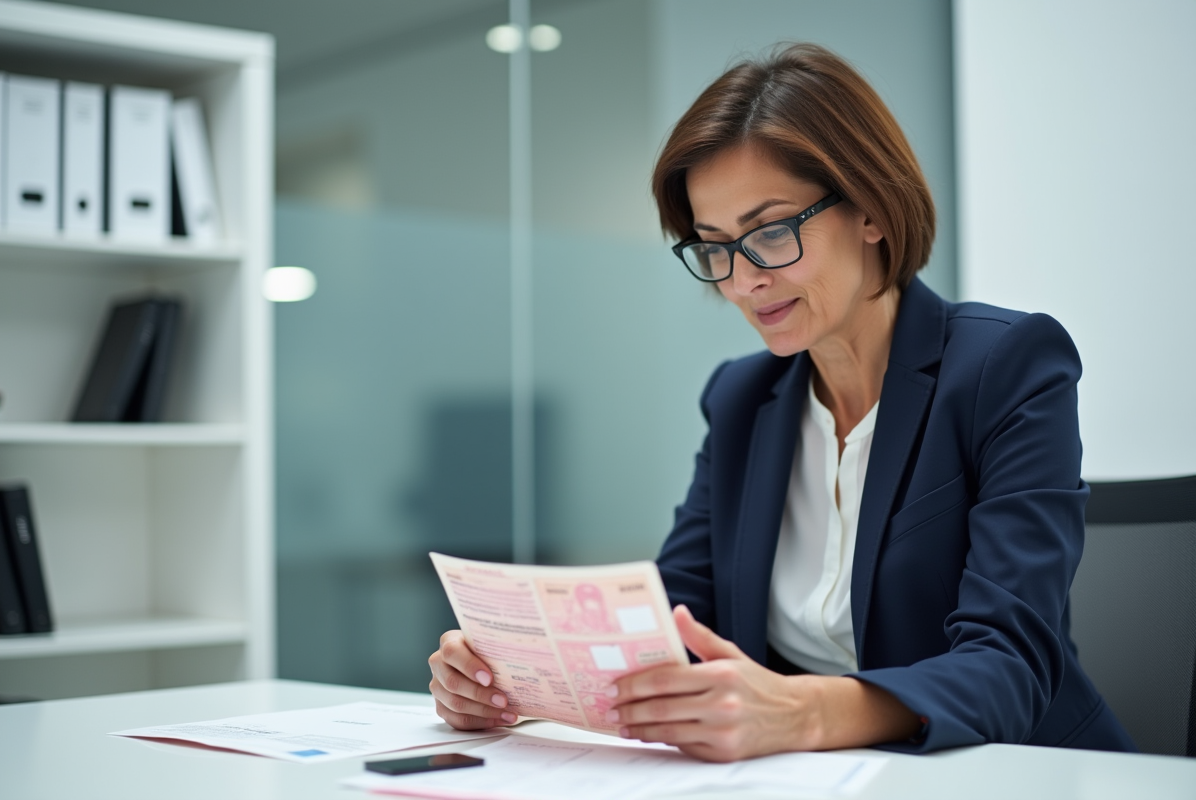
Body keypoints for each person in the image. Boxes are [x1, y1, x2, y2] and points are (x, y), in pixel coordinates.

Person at [428, 43, 1136, 761]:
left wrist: (799, 713)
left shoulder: (1005, 367)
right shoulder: (742, 399)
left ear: (870, 210)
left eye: (770, 232)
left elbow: (1011, 666)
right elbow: (676, 625)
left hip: (1017, 772)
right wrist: (507, 680)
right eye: (716, 246)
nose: (743, 281)